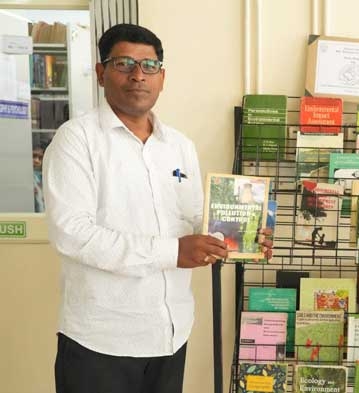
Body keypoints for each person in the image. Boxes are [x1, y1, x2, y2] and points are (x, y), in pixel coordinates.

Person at [42, 24, 272, 393]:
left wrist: (238, 236)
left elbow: (196, 221)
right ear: (101, 73)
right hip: (102, 340)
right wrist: (173, 251)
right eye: (124, 63)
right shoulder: (76, 140)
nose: (138, 75)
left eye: (149, 66)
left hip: (170, 333)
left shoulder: (180, 146)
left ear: (162, 77)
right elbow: (73, 235)